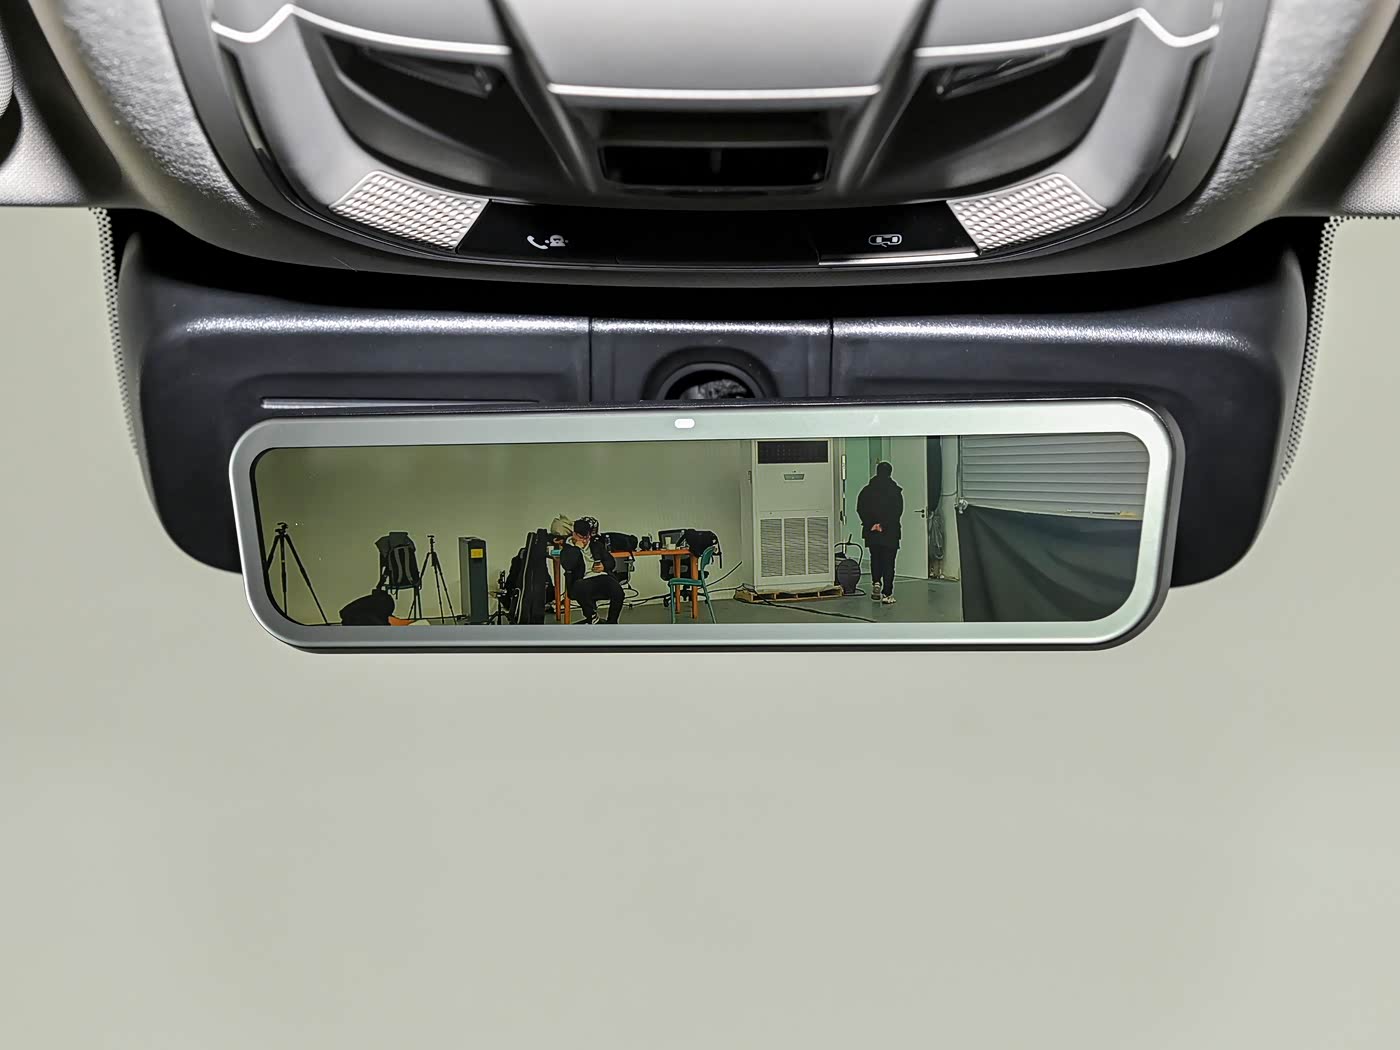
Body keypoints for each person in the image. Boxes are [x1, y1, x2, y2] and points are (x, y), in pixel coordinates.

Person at [558, 517, 624, 624]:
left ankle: (612, 622)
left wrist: (604, 566)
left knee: (618, 591)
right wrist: (576, 549)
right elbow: (568, 565)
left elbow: (611, 561)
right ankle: (592, 617)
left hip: (601, 576)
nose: (584, 541)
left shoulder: (596, 545)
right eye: (581, 538)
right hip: (582, 579)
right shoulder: (568, 549)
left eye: (587, 537)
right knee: (581, 587)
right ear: (574, 534)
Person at [857, 461, 903, 605]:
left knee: (875, 558)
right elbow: (897, 511)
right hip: (890, 532)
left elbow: (860, 508)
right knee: (889, 562)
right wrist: (883, 525)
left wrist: (871, 524)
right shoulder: (895, 491)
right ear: (890, 473)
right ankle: (887, 594)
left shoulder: (867, 490)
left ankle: (876, 582)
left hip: (872, 532)